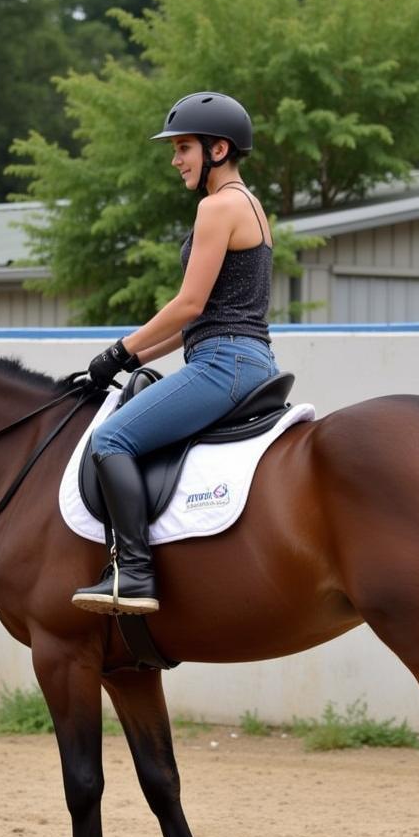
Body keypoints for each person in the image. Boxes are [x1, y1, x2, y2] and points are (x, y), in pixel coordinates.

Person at [72, 91, 279, 616]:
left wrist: (118, 349)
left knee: (111, 437)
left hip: (223, 363)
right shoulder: (250, 205)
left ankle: (135, 574)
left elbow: (187, 304)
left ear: (218, 149)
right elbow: (201, 316)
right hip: (245, 357)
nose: (175, 159)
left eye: (183, 147)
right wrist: (130, 361)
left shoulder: (218, 206)